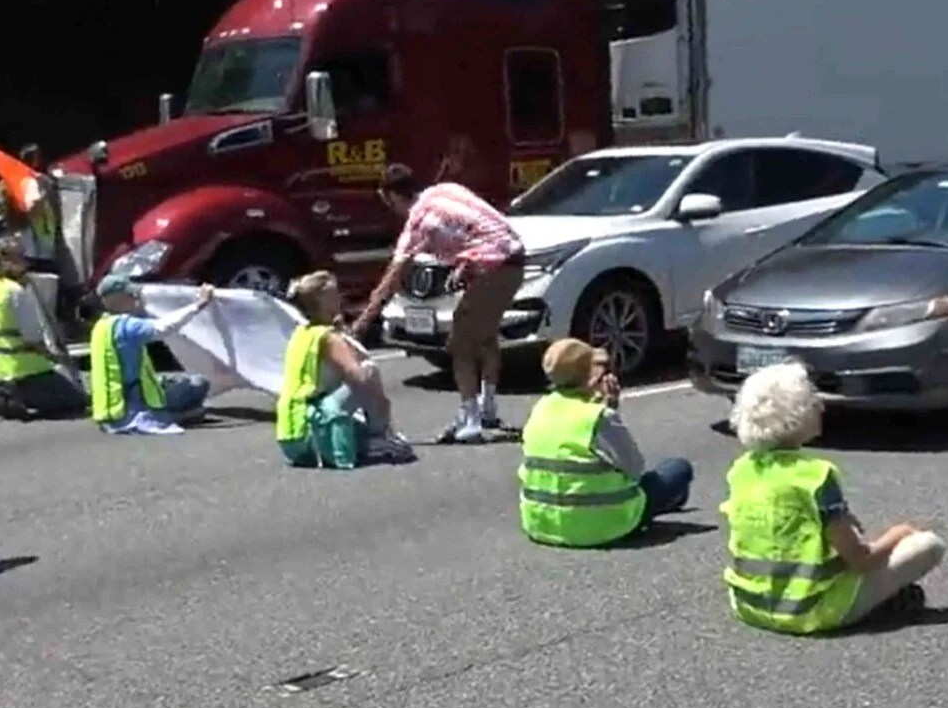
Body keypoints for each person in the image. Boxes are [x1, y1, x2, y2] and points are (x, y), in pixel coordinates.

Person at [722, 362, 946, 634]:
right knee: (929, 545)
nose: (821, 407)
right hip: (811, 610)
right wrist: (899, 533)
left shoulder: (742, 470)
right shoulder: (816, 476)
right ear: (796, 415)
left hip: (749, 605)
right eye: (813, 401)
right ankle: (875, 604)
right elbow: (861, 559)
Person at [351, 164, 526, 443]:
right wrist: (464, 261)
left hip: (494, 269)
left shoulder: (418, 223)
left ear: (392, 197)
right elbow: (477, 226)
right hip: (515, 260)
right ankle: (487, 407)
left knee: (460, 344)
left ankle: (471, 419)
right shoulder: (444, 190)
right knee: (484, 338)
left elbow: (393, 278)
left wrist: (362, 321)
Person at [518, 338, 693, 547]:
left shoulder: (541, 409)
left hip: (542, 524)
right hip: (603, 526)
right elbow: (634, 468)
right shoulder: (597, 417)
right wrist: (610, 409)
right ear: (591, 378)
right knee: (678, 469)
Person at [277, 271, 415, 467]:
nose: (339, 298)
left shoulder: (301, 335)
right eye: (334, 295)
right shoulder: (329, 338)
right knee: (369, 370)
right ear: (322, 302)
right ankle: (383, 434)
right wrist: (382, 405)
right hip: (316, 432)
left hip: (291, 435)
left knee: (353, 415)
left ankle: (372, 438)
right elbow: (357, 375)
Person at [89, 274, 214, 434]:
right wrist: (199, 305)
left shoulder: (102, 326)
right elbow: (163, 327)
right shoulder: (127, 326)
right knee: (198, 383)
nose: (135, 299)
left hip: (111, 410)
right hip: (132, 407)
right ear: (116, 299)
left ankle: (183, 412)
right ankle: (172, 415)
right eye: (130, 295)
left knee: (168, 380)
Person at [0, 236, 86, 420]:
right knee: (77, 400)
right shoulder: (15, 291)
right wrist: (54, 357)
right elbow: (31, 337)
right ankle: (18, 398)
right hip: (28, 369)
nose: (25, 262)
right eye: (19, 257)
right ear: (4, 261)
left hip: (2, 368)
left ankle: (9, 394)